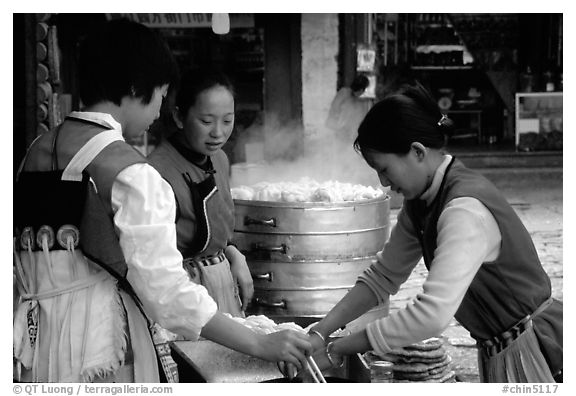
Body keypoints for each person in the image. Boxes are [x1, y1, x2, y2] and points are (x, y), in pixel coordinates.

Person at [13, 18, 311, 383]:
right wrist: (261, 344)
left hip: (34, 346)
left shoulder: (34, 152)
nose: (158, 113)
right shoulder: (129, 171)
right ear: (138, 87)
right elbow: (167, 292)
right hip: (104, 352)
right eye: (159, 96)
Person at [294, 83, 563, 383]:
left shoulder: (463, 209)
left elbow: (432, 315)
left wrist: (339, 348)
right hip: (500, 348)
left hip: (537, 348)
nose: (384, 182)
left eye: (384, 169)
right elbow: (382, 278)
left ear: (418, 152)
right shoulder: (421, 203)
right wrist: (321, 330)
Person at [148, 69, 251, 318]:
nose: (218, 132)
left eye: (227, 120)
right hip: (182, 290)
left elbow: (220, 225)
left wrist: (232, 253)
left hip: (222, 278)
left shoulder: (220, 159)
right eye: (206, 121)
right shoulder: (156, 172)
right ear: (179, 117)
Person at [325, 74, 371, 145]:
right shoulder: (344, 93)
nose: (362, 92)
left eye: (362, 90)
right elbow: (334, 109)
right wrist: (337, 126)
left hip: (355, 134)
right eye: (361, 89)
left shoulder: (365, 101)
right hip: (341, 131)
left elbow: (365, 117)